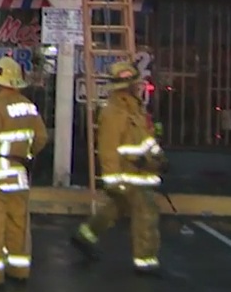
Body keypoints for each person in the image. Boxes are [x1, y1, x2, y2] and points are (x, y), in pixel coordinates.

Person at [70, 60, 166, 276]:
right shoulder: (114, 112)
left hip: (140, 173)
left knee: (114, 209)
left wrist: (159, 158)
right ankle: (146, 261)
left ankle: (85, 236)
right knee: (146, 215)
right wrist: (112, 181)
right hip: (129, 176)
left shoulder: (136, 109)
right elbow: (108, 148)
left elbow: (146, 140)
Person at [0, 56, 48, 286]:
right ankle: (18, 270)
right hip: (19, 176)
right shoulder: (28, 107)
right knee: (18, 225)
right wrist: (26, 155)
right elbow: (41, 137)